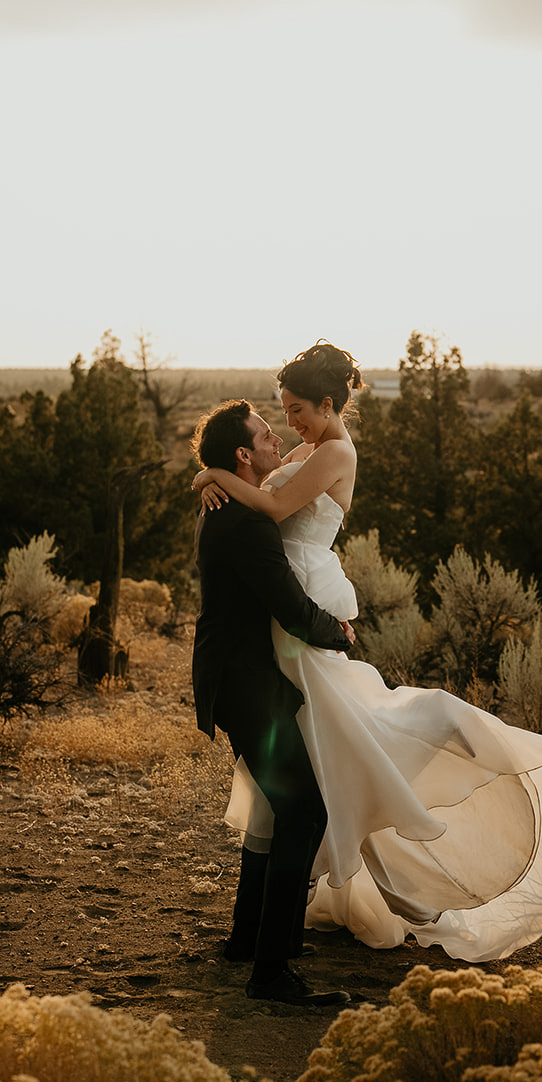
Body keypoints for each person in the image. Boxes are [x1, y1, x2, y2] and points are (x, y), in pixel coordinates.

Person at [192, 341, 542, 963]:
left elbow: (271, 503)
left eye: (296, 410)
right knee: (304, 768)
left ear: (329, 404)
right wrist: (211, 473)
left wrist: (215, 475)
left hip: (304, 611)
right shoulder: (304, 450)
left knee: (340, 745)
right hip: (284, 615)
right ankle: (260, 944)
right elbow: (264, 484)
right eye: (281, 415)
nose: (289, 424)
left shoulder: (335, 453)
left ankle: (443, 742)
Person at [190, 398, 352, 1007]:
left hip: (238, 681)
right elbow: (289, 606)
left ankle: (248, 939)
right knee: (305, 813)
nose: (276, 441)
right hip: (248, 686)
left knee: (273, 806)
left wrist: (207, 476)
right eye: (265, 435)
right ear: (242, 455)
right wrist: (339, 632)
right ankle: (271, 972)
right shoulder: (249, 523)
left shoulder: (219, 506)